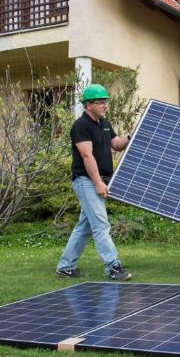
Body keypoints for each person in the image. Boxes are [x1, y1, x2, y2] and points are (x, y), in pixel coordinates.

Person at [55, 83, 132, 280]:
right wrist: (98, 183)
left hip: (98, 180)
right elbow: (87, 156)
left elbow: (116, 144)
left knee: (85, 227)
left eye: (106, 102)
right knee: (100, 225)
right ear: (89, 105)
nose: (105, 105)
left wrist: (131, 137)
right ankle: (113, 267)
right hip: (86, 181)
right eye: (100, 102)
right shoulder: (81, 126)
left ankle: (65, 266)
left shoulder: (104, 123)